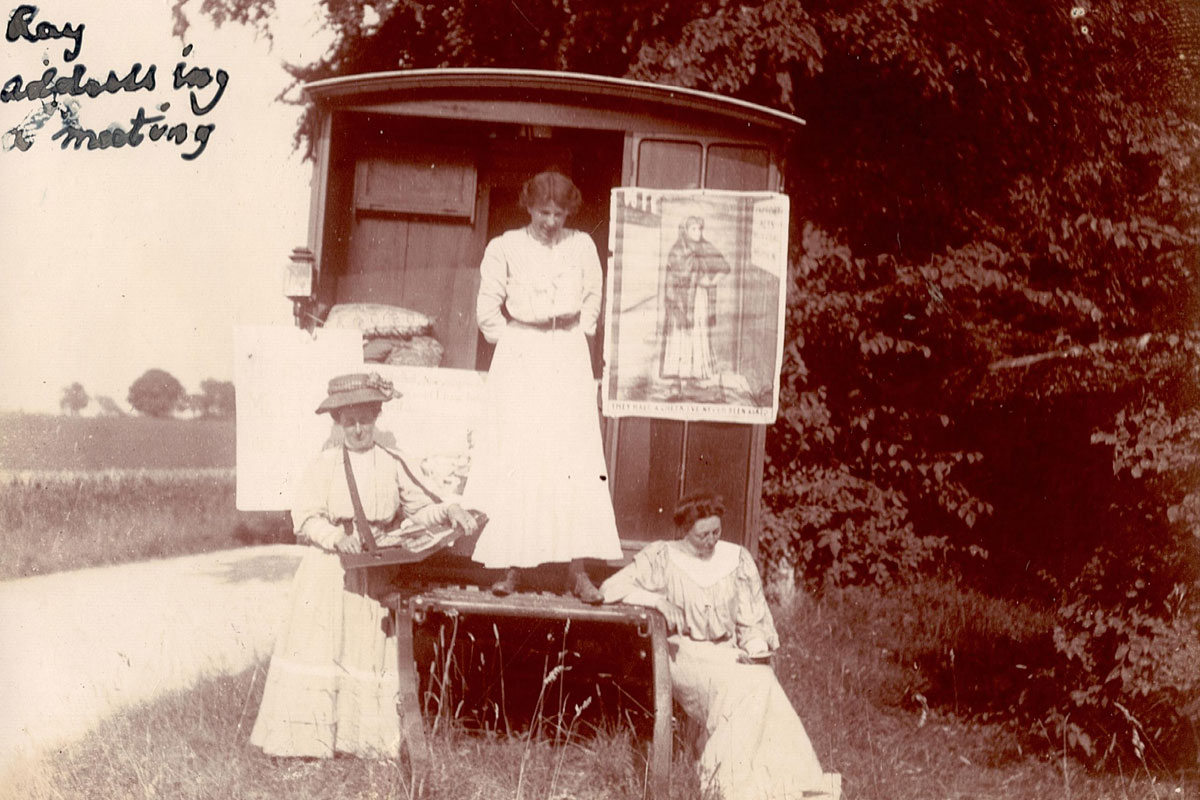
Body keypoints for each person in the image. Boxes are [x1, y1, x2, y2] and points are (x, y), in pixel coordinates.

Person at [251, 372, 479, 758]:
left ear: (376, 417)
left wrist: (450, 510)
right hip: (329, 573)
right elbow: (304, 518)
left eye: (365, 419)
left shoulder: (391, 462)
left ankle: (361, 743)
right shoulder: (324, 464)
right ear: (338, 423)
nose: (358, 429)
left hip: (373, 574)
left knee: (364, 649)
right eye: (349, 421)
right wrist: (337, 538)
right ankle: (308, 744)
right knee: (323, 649)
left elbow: (421, 507)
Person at [600, 493, 841, 800]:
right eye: (703, 535)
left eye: (716, 532)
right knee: (747, 686)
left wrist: (754, 650)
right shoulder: (663, 556)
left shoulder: (736, 558)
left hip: (727, 652)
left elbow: (751, 617)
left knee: (760, 678)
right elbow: (611, 588)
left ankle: (779, 780)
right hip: (684, 653)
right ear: (684, 531)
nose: (711, 541)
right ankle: (726, 784)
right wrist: (658, 600)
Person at [464, 170, 622, 603]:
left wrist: (575, 333)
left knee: (572, 457)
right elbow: (486, 311)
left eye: (558, 212)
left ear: (569, 211)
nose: (550, 220)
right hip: (522, 353)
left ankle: (577, 570)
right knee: (522, 454)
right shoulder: (505, 247)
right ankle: (511, 565)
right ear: (528, 207)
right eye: (542, 211)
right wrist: (518, 341)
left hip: (567, 353)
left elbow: (594, 294)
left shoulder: (582, 245)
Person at [659, 215, 731, 390]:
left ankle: (693, 376)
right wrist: (676, 301)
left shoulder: (705, 247)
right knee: (680, 336)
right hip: (680, 300)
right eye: (693, 229)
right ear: (685, 230)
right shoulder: (676, 251)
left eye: (699, 228)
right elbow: (671, 279)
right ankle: (677, 379)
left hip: (699, 298)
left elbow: (724, 267)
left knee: (697, 333)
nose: (697, 232)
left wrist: (711, 281)